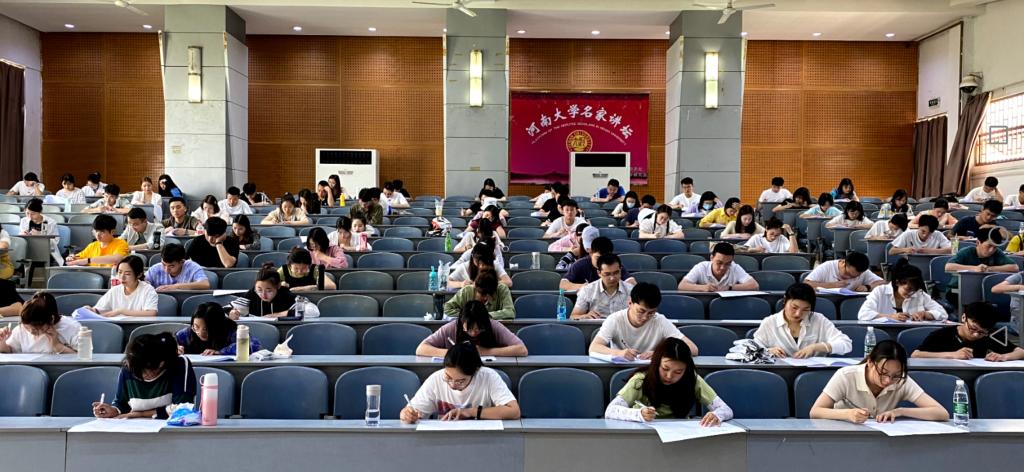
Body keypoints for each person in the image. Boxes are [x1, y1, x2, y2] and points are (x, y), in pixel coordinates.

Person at [809, 340, 949, 424]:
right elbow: (815, 411)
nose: (888, 381)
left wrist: (900, 411)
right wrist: (848, 414)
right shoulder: (846, 376)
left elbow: (941, 413)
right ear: (870, 362)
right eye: (883, 373)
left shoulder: (902, 380)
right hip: (844, 435)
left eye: (895, 376)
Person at [605, 337, 732, 425]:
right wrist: (639, 414)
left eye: (678, 372)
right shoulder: (641, 379)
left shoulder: (692, 379)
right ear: (656, 364)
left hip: (680, 433)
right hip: (644, 431)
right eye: (665, 369)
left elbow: (726, 409)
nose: (669, 376)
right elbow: (610, 411)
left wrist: (717, 415)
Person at [400, 342, 520, 423]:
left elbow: (514, 411)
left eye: (460, 381)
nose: (452, 385)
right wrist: (406, 414)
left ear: (475, 371)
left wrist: (470, 412)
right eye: (448, 377)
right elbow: (409, 411)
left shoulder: (488, 377)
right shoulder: (436, 379)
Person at [92, 332, 197, 420]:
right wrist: (113, 410)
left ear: (161, 363)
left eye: (144, 370)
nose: (139, 375)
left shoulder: (179, 365)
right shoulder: (128, 368)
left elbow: (184, 408)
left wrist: (141, 414)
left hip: (170, 429)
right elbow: (122, 404)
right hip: (135, 430)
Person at [589, 282, 699, 359]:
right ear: (630, 303)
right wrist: (618, 353)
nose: (645, 317)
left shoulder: (660, 320)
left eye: (651, 313)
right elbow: (594, 347)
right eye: (641, 311)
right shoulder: (615, 319)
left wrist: (660, 353)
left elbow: (693, 349)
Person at [754, 283, 852, 358]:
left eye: (806, 309)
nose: (798, 314)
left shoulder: (819, 320)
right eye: (794, 307)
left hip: (813, 372)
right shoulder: (770, 322)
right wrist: (767, 351)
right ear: (785, 300)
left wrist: (816, 347)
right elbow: (753, 348)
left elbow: (846, 344)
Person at [913, 302, 1024, 361]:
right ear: (963, 318)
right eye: (973, 328)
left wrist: (1003, 357)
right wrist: (952, 355)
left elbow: (1020, 352)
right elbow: (916, 355)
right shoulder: (942, 334)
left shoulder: (991, 335)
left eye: (982, 332)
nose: (976, 335)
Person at [416, 301, 527, 357]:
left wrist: (485, 352)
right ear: (462, 322)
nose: (473, 333)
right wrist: (454, 352)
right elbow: (421, 349)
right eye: (469, 329)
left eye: (478, 329)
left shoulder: (493, 325)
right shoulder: (452, 327)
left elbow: (522, 350)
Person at [858, 259, 946, 322]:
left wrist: (925, 314)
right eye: (908, 289)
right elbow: (863, 314)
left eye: (914, 290)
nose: (911, 293)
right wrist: (890, 316)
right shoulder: (880, 291)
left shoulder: (919, 294)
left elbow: (943, 313)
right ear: (897, 283)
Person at [0, 292, 78, 354]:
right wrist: (2, 343)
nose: (31, 331)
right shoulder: (21, 329)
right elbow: (11, 351)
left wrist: (57, 345)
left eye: (36, 329)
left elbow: (82, 357)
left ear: (51, 319)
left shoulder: (70, 327)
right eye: (27, 327)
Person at [83, 255, 159, 318]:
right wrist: (90, 310)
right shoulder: (115, 290)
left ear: (139, 274)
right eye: (120, 272)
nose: (122, 277)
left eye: (127, 274)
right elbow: (98, 310)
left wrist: (121, 311)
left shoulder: (148, 289)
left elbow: (151, 313)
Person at [176, 302, 261, 356]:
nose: (200, 333)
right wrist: (175, 349)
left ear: (217, 326)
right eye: (196, 327)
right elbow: (172, 343)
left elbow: (254, 344)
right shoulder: (187, 333)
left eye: (205, 329)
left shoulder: (231, 330)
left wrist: (221, 352)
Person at [571, 254, 634, 320]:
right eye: (607, 274)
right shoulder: (587, 290)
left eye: (616, 273)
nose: (612, 278)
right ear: (599, 273)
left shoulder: (631, 290)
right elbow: (573, 316)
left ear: (620, 270)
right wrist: (584, 316)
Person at [560, 236, 635, 291]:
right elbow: (563, 284)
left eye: (605, 258)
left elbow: (631, 283)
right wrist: (584, 287)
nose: (601, 262)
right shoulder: (579, 265)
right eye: (598, 258)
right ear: (590, 253)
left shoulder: (614, 265)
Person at [678, 243, 759, 292]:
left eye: (727, 264)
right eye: (719, 263)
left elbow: (754, 285)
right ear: (711, 258)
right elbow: (682, 286)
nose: (723, 267)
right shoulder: (701, 267)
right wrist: (703, 287)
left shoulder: (734, 267)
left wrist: (729, 287)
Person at [229, 263, 296, 319]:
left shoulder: (286, 295)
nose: (263, 295)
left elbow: (301, 310)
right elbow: (228, 308)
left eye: (269, 291)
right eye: (259, 290)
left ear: (278, 286)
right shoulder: (252, 293)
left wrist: (278, 314)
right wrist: (232, 312)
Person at [443, 270, 515, 320]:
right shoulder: (466, 291)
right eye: (482, 294)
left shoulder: (502, 289)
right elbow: (447, 308)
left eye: (489, 294)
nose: (485, 298)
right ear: (475, 287)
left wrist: (485, 315)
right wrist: (467, 315)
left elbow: (510, 312)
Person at [945, 226, 1017, 274]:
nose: (991, 250)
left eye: (995, 247)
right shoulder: (966, 252)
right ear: (978, 243)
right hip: (959, 287)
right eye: (989, 246)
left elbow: (1014, 267)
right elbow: (948, 266)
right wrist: (974, 268)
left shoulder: (997, 252)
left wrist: (989, 268)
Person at [804, 251, 883, 292]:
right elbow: (806, 284)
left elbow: (883, 283)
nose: (848, 277)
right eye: (847, 273)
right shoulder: (827, 266)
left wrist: (868, 287)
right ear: (843, 262)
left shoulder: (863, 271)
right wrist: (831, 285)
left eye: (854, 277)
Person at [144, 243, 210, 292]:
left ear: (182, 262)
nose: (166, 270)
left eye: (171, 266)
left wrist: (176, 287)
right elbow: (142, 283)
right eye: (164, 264)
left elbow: (205, 284)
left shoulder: (192, 267)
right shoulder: (155, 269)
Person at [19, 198, 62, 264]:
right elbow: (20, 238)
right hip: (29, 248)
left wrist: (41, 235)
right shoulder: (23, 221)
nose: (30, 216)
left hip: (46, 250)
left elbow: (56, 241)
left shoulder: (51, 222)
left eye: (33, 214)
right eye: (27, 213)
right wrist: (22, 234)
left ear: (40, 212)